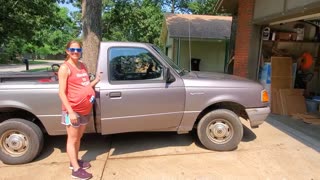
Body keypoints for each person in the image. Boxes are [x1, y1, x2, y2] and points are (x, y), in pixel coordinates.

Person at [58, 40, 100, 180]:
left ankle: (74, 161)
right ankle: (75, 170)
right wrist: (70, 111)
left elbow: (86, 86)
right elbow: (61, 93)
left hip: (84, 110)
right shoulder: (65, 68)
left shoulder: (83, 66)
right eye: (73, 49)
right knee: (72, 139)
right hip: (73, 111)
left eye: (78, 50)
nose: (75, 52)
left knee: (78, 138)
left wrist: (97, 80)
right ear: (67, 51)